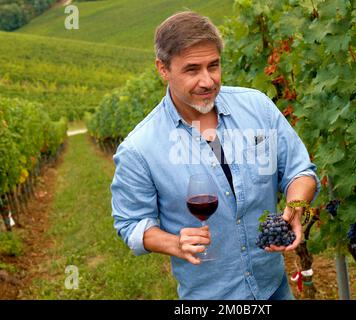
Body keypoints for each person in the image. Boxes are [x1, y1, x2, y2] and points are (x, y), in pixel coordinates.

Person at [111, 11, 320, 300]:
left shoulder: (256, 107)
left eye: (214, 66)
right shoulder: (140, 148)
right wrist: (174, 243)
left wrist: (297, 203)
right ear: (162, 69)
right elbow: (130, 223)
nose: (207, 81)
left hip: (274, 287)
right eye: (192, 69)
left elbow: (300, 170)